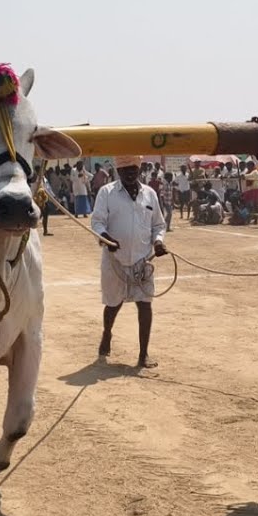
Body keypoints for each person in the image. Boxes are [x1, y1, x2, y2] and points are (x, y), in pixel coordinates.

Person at [90, 155, 167, 368]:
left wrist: (158, 242)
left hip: (142, 261)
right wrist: (106, 238)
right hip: (114, 260)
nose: (130, 173)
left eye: (134, 169)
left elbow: (158, 225)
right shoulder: (106, 193)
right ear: (118, 171)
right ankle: (107, 333)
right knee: (113, 304)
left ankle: (143, 354)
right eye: (125, 170)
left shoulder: (149, 194)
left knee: (145, 304)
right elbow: (97, 222)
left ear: (139, 169)